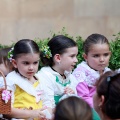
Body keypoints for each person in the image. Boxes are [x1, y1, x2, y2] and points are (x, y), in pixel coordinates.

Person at [5, 39, 52, 120]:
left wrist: (46, 114)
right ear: (15, 63)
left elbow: (47, 102)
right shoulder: (10, 81)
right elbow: (6, 110)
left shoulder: (41, 80)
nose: (31, 68)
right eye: (26, 63)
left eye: (35, 63)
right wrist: (31, 113)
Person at [36, 35, 78, 107]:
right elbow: (47, 106)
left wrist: (72, 95)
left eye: (76, 56)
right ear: (58, 58)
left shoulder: (69, 76)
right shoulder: (45, 77)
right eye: (72, 56)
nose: (76, 60)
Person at [72, 33, 111, 108]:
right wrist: (103, 108)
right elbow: (83, 98)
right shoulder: (81, 74)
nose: (102, 60)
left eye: (106, 55)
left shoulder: (108, 72)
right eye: (96, 56)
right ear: (85, 57)